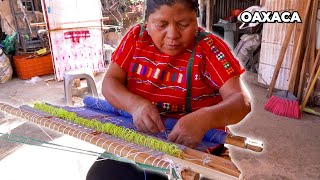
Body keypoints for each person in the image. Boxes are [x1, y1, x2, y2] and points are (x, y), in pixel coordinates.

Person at [87, 0, 251, 179]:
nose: (173, 35)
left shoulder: (209, 48)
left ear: (196, 20)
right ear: (147, 23)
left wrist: (204, 119)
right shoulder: (136, 38)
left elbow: (241, 102)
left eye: (184, 24)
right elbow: (110, 82)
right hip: (139, 139)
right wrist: (134, 105)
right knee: (99, 176)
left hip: (195, 148)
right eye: (161, 25)